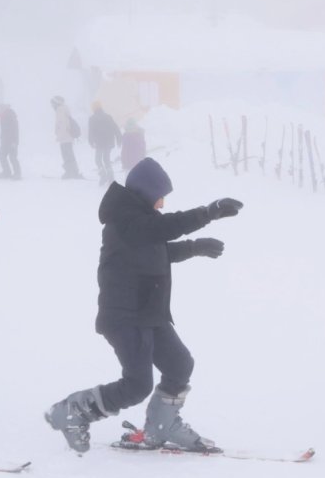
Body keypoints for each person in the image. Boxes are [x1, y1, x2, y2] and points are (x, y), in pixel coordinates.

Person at [44, 158, 243, 453]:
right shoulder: (125, 220)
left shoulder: (139, 220)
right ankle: (73, 411)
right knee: (137, 384)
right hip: (125, 316)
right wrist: (208, 213)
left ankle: (162, 425)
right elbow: (162, 229)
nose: (162, 203)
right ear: (147, 192)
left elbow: (156, 248)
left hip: (148, 311)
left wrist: (195, 247)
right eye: (160, 196)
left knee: (179, 365)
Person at [88, 101, 122, 185]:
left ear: (93, 109)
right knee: (106, 159)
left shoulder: (92, 119)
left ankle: (103, 176)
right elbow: (115, 128)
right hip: (109, 142)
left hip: (99, 143)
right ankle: (110, 177)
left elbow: (90, 132)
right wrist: (119, 138)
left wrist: (91, 141)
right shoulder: (108, 117)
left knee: (98, 160)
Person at [51, 95, 83, 179]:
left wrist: (58, 134)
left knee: (67, 155)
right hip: (65, 137)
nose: (52, 106)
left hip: (65, 137)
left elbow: (62, 125)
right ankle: (73, 171)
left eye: (52, 103)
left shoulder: (60, 110)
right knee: (68, 154)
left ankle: (71, 172)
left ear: (56, 103)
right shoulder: (62, 109)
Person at [0, 103, 20, 179]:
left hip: (11, 141)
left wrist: (14, 142)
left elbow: (14, 130)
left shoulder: (9, 116)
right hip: (5, 140)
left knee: (12, 157)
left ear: (2, 109)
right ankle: (7, 172)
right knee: (1, 155)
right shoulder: (3, 116)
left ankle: (17, 173)